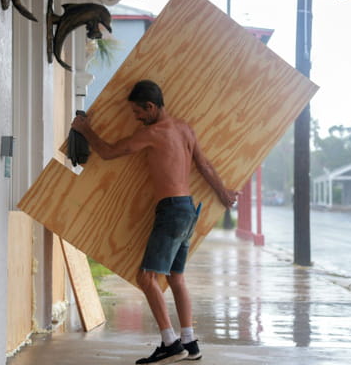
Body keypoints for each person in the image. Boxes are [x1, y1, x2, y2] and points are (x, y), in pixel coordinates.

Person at [71, 80, 239, 365]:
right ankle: (189, 341)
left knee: (146, 277)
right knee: (175, 278)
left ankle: (170, 343)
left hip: (172, 210)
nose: (136, 118)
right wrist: (223, 194)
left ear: (150, 107)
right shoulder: (185, 128)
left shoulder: (152, 133)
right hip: (188, 208)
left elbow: (109, 152)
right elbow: (205, 165)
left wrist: (85, 130)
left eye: (138, 112)